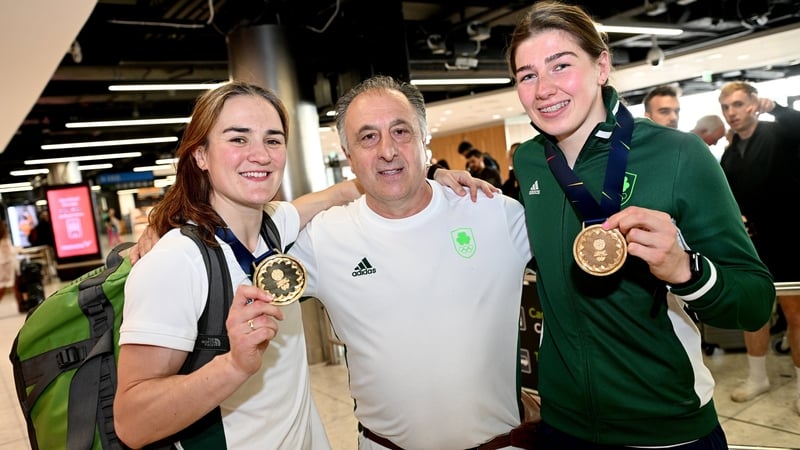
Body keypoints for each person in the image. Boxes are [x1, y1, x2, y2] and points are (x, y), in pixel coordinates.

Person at [505, 2, 775, 448]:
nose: (544, 89)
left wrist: (685, 270)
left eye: (561, 66)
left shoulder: (678, 155)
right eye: (527, 75)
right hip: (563, 425)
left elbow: (754, 302)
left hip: (666, 427)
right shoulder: (531, 161)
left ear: (602, 65)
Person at [114, 81, 367, 449]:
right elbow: (132, 422)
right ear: (200, 155)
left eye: (273, 139)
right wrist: (234, 365)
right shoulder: (176, 262)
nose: (261, 155)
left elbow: (342, 191)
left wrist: (434, 183)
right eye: (238, 139)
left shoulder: (273, 224)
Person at [288, 75, 535, 449]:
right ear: (347, 153)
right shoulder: (323, 237)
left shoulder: (494, 213)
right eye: (368, 137)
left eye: (401, 131)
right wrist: (333, 194)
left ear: (425, 140)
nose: (387, 150)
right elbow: (241, 251)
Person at [717, 80, 800, 414]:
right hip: (752, 244)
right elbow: (724, 194)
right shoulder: (730, 150)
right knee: (754, 313)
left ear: (754, 104)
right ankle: (757, 377)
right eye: (726, 107)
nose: (731, 113)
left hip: (791, 239)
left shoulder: (778, 133)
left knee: (795, 314)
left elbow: (798, 127)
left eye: (737, 104)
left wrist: (777, 109)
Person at [0, 220, 18, 301]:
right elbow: (10, 251)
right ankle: (21, 304)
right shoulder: (5, 240)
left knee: (4, 286)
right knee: (11, 285)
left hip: (3, 264)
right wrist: (18, 250)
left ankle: (20, 304)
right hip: (8, 265)